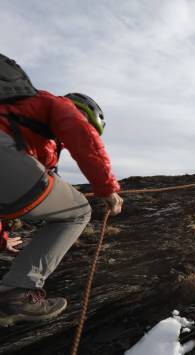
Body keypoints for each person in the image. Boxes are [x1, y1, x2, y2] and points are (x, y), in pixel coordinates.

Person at [0, 54, 123, 327]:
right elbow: (81, 137)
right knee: (77, 211)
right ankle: (18, 292)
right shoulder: (57, 104)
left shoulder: (18, 118)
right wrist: (106, 188)